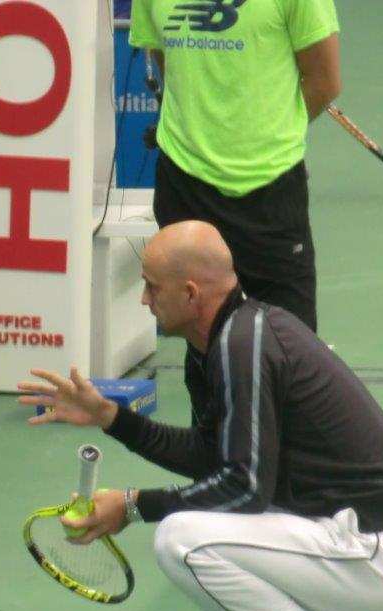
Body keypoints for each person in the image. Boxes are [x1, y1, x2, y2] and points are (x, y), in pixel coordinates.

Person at [18, 221, 383, 611]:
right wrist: (111, 417)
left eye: (151, 286)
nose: (143, 299)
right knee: (213, 522)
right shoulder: (221, 341)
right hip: (364, 546)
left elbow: (245, 488)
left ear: (189, 293)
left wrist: (135, 506)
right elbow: (215, 457)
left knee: (183, 540)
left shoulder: (244, 346)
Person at [129, 0, 341, 423]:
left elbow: (324, 81)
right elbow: (167, 59)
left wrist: (263, 137)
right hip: (185, 182)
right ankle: (215, 475)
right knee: (202, 343)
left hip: (269, 188)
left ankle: (287, 484)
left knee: (291, 354)